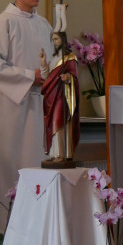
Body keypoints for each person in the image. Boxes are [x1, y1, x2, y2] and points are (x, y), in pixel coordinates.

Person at [0, 0, 54, 233]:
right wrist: (27, 76)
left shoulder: (44, 25)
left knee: (39, 168)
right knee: (10, 170)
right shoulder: (3, 23)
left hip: (41, 106)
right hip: (14, 106)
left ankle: (37, 234)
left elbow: (50, 63)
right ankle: (4, 238)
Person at [40, 30, 80, 166]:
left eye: (56, 39)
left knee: (59, 122)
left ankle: (61, 154)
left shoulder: (70, 57)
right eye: (53, 39)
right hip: (50, 96)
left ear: (63, 39)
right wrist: (43, 63)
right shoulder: (54, 59)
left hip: (62, 96)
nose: (55, 42)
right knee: (51, 124)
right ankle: (53, 154)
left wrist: (68, 78)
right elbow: (46, 77)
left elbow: (74, 76)